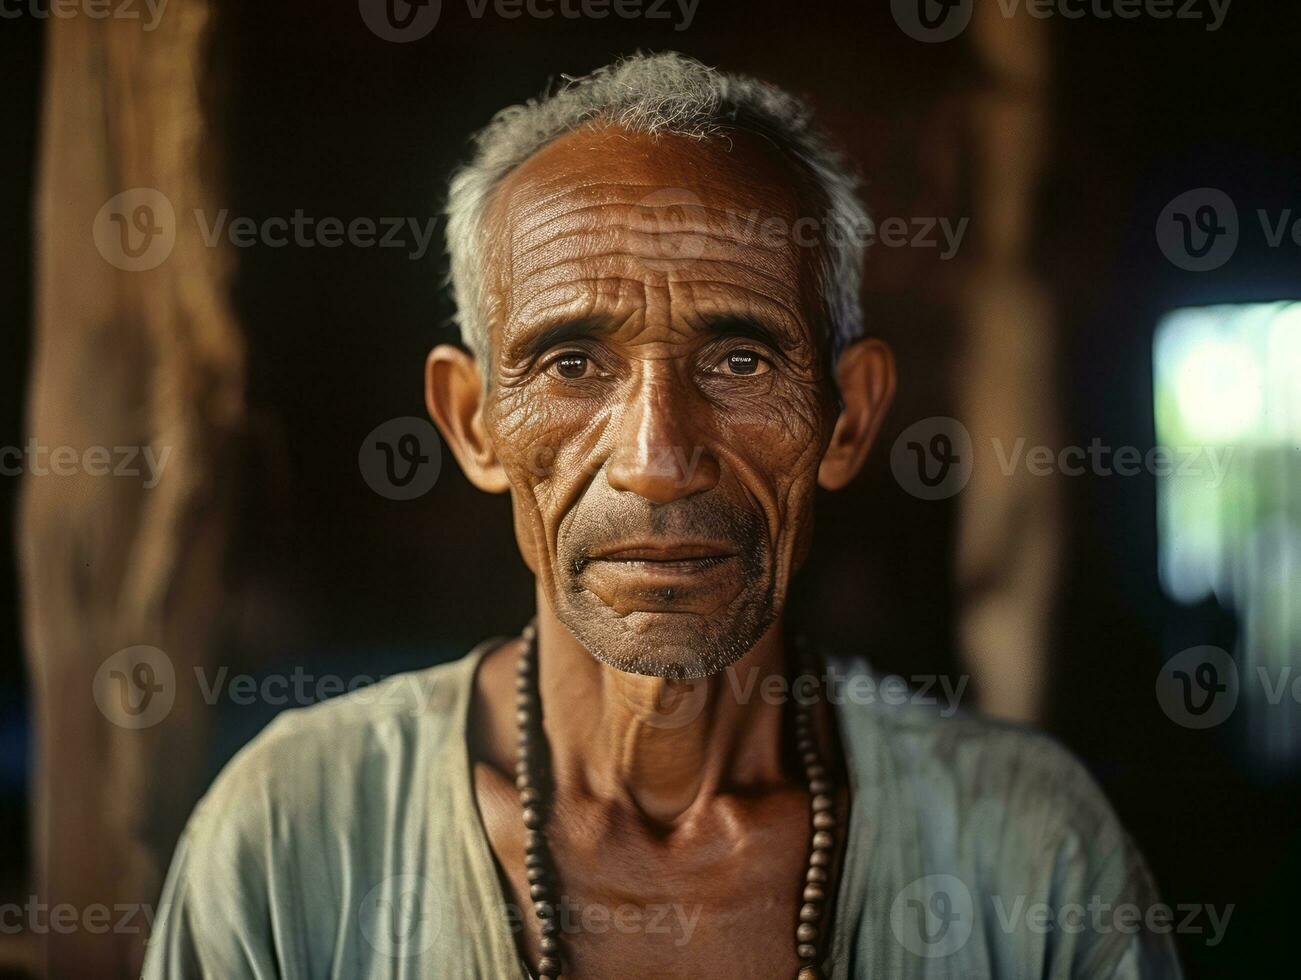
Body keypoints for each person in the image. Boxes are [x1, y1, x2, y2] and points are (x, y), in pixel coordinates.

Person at [142, 52, 1181, 979]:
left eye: (738, 360)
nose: (656, 460)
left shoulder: (1030, 851)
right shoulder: (291, 836)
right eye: (570, 361)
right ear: (471, 424)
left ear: (847, 418)